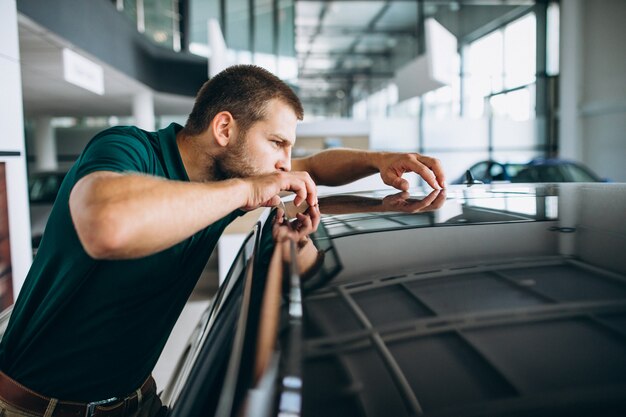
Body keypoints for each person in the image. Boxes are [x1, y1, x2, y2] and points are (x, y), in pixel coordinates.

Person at [0, 65, 445, 417]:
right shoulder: (128, 148)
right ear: (225, 129)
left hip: (136, 401)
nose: (283, 163)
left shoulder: (225, 176)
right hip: (35, 409)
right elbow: (106, 227)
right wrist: (249, 191)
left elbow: (314, 167)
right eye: (276, 143)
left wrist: (380, 159)